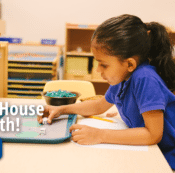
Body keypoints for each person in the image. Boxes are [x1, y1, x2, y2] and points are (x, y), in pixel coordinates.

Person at [38, 14, 175, 169]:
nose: (98, 70)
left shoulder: (145, 78)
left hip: (166, 159)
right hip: (146, 153)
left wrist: (100, 135)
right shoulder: (124, 77)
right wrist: (61, 109)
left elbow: (153, 134)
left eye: (103, 65)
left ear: (130, 63)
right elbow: (98, 106)